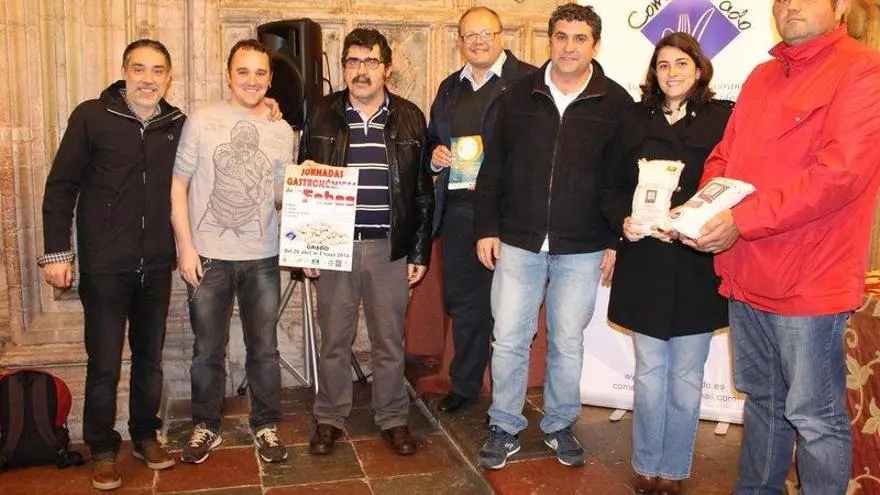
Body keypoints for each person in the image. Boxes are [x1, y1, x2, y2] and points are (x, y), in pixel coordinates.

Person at [683, 1, 880, 493]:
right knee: (764, 402)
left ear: (840, 7)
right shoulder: (761, 76)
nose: (790, 5)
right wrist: (704, 210)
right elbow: (725, 157)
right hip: (746, 272)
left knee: (815, 417)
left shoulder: (862, 69)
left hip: (809, 281)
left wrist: (740, 220)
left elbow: (839, 176)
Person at [473, 3, 631, 470]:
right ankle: (503, 426)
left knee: (567, 341)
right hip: (518, 241)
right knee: (508, 338)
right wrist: (487, 228)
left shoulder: (617, 103)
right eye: (561, 36)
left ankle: (560, 424)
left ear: (595, 45)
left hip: (582, 246)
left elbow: (622, 180)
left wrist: (614, 240)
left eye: (580, 39)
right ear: (550, 40)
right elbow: (493, 167)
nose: (569, 47)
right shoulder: (517, 94)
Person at [39, 39, 182, 490]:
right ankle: (102, 448)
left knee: (150, 360)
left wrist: (269, 110)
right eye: (139, 69)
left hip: (156, 265)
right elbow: (61, 186)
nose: (148, 79)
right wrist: (57, 253)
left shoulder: (177, 124)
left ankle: (145, 435)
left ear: (168, 77)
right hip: (104, 266)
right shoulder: (91, 116)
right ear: (124, 71)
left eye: (157, 70)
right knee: (103, 363)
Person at [600, 32, 731, 495]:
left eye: (680, 64)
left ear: (699, 69)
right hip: (646, 261)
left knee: (686, 376)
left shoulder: (723, 118)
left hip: (696, 263)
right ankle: (645, 465)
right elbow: (610, 186)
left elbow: (734, 183)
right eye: (663, 65)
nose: (671, 73)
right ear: (653, 73)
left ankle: (673, 471)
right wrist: (624, 220)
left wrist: (699, 221)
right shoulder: (633, 119)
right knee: (651, 374)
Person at [298, 28, 433, 457]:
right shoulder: (322, 113)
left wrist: (418, 251)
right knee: (334, 340)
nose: (361, 70)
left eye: (370, 61)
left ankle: (393, 418)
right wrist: (308, 246)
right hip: (334, 244)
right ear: (343, 68)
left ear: (386, 68)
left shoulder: (410, 117)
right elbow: (305, 179)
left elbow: (422, 191)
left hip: (389, 248)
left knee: (388, 342)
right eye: (353, 61)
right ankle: (329, 417)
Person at [170, 39, 294, 465]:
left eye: (260, 73)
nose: (252, 81)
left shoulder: (281, 130)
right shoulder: (203, 121)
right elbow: (178, 185)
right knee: (207, 349)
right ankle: (206, 426)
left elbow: (277, 194)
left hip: (262, 254)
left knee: (265, 348)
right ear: (228, 75)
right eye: (243, 71)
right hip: (208, 254)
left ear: (270, 79)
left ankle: (266, 425)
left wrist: (306, 182)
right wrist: (185, 248)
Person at [426, 6, 536, 414]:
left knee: (509, 309)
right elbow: (432, 139)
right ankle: (465, 384)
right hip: (458, 212)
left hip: (508, 213)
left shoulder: (528, 82)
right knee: (465, 304)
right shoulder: (449, 88)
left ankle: (507, 398)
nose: (478, 42)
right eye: (469, 35)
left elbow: (538, 148)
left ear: (501, 36)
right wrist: (435, 157)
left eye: (486, 33)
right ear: (460, 42)